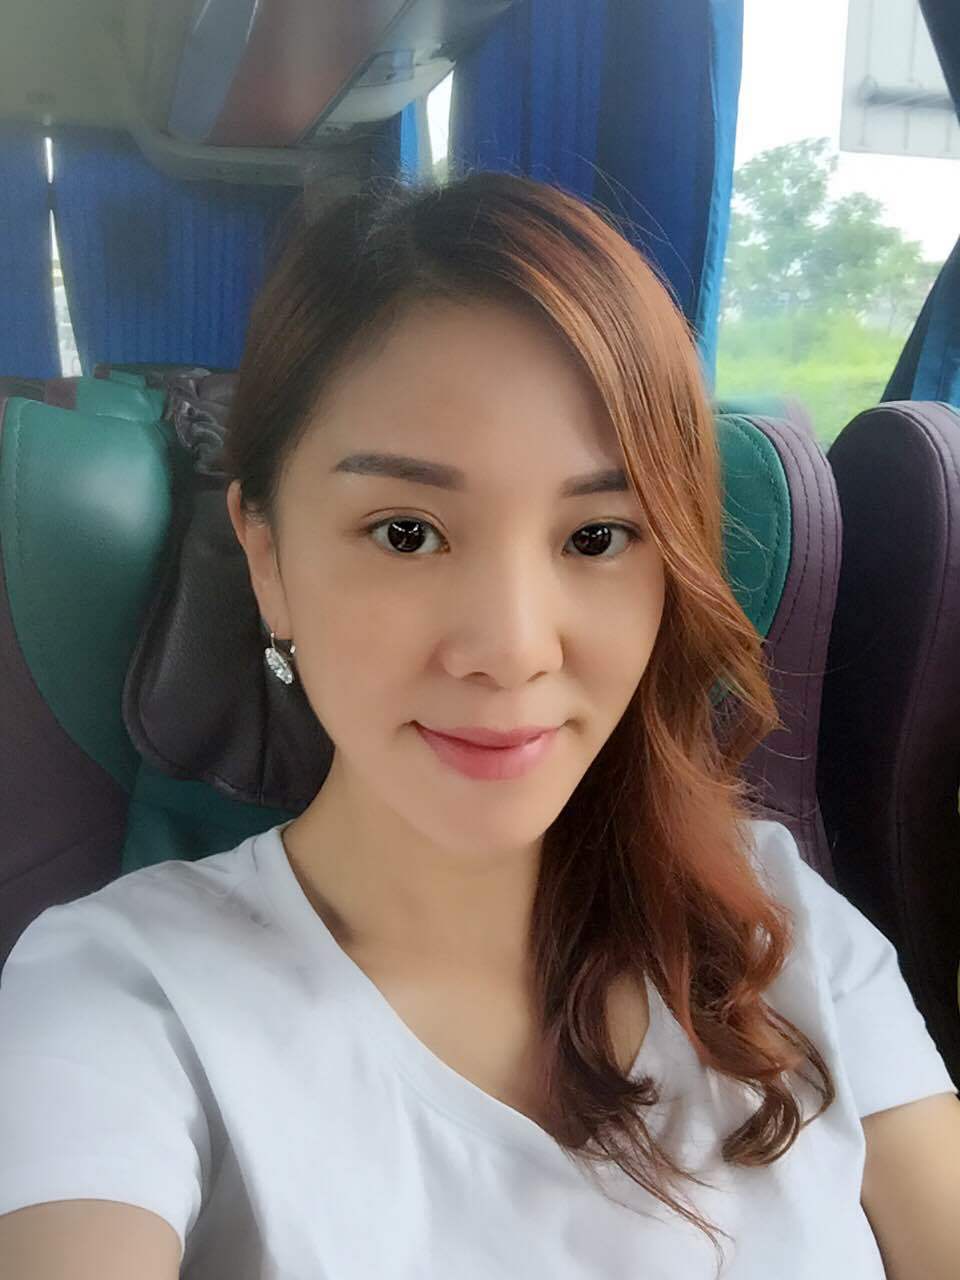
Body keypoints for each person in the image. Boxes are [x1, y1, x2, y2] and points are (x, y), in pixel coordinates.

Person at [1, 172, 958, 1279]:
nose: (510, 647)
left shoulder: (778, 926)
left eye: (597, 537)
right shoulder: (121, 994)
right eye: (406, 531)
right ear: (267, 557)